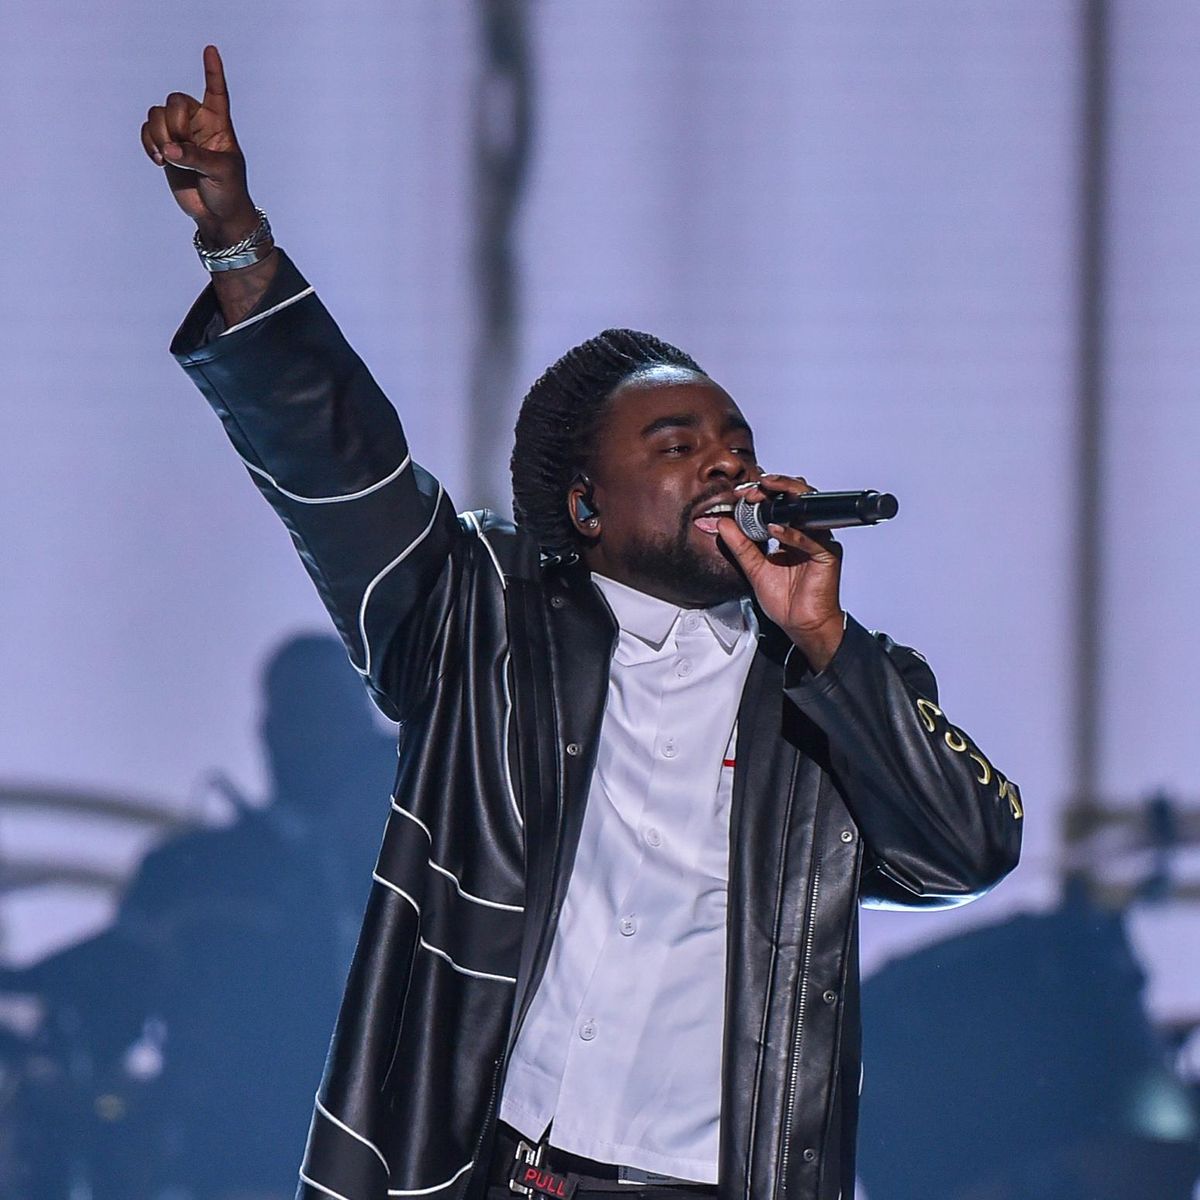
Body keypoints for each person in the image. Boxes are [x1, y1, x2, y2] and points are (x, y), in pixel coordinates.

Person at [141, 46, 1022, 1200]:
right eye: (678, 445)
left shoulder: (834, 684)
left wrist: (826, 644)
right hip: (491, 1172)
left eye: (739, 446)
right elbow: (337, 459)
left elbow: (966, 850)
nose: (726, 464)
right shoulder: (481, 619)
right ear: (586, 505)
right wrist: (236, 243)